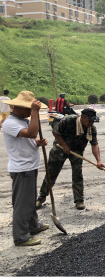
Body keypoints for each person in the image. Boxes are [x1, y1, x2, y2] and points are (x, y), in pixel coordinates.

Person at [2, 91, 49, 246]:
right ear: (17, 107)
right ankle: (21, 237)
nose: (30, 112)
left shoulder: (23, 120)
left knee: (30, 200)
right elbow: (31, 133)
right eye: (28, 109)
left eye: (31, 109)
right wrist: (35, 113)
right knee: (23, 203)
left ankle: (33, 225)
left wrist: (37, 143)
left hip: (29, 165)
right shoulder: (9, 123)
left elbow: (30, 138)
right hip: (21, 169)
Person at [36, 108, 105, 210]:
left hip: (77, 152)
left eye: (93, 121)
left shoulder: (91, 129)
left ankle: (79, 200)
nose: (91, 123)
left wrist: (98, 161)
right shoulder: (69, 120)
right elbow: (55, 132)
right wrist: (64, 144)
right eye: (90, 120)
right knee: (51, 174)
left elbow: (94, 145)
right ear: (83, 117)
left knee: (77, 175)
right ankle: (41, 198)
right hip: (59, 149)